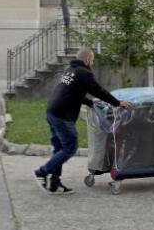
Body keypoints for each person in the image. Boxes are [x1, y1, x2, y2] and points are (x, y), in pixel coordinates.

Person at [33, 47, 131, 195]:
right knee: (70, 147)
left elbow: (72, 92)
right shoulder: (84, 73)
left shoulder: (70, 71)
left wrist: (90, 103)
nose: (93, 63)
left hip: (52, 112)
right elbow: (99, 91)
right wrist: (118, 103)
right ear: (87, 60)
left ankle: (54, 184)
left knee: (59, 148)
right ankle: (42, 172)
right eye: (92, 60)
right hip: (62, 115)